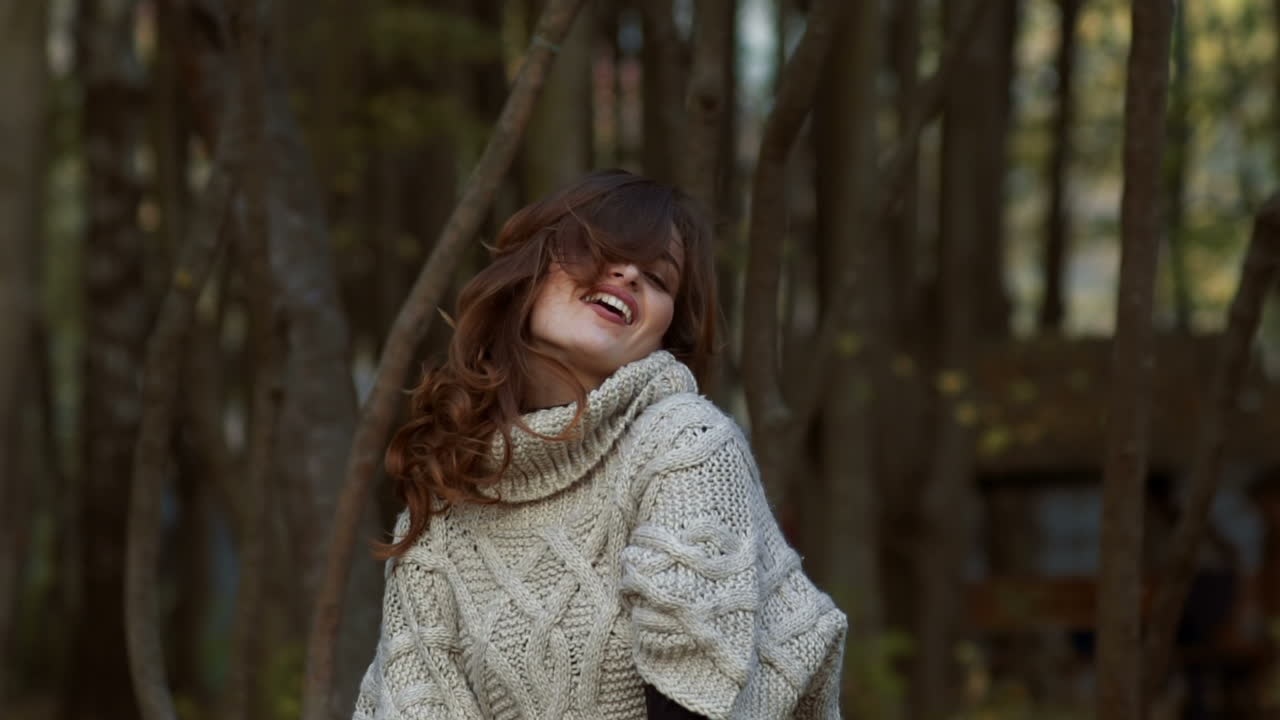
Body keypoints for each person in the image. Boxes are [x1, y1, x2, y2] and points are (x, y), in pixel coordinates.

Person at [352, 169, 848, 720]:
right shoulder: (444, 510)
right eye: (604, 250)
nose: (631, 274)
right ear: (530, 272)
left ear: (664, 333)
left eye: (660, 279)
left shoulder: (683, 443)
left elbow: (696, 696)